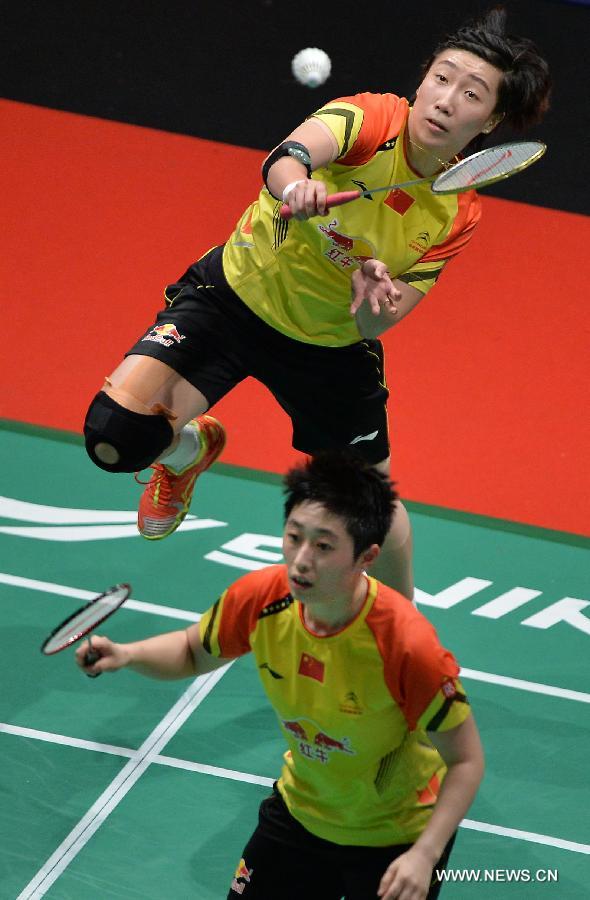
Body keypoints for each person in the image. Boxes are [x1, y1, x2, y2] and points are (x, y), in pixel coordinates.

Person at [82, 7, 550, 601]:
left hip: (326, 349)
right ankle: (188, 453)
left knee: (373, 509)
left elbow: (382, 317)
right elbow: (284, 158)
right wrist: (297, 182)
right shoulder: (375, 118)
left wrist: (372, 298)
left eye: (471, 92)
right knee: (113, 436)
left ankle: (403, 632)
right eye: (440, 78)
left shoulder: (457, 213)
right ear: (421, 80)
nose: (446, 100)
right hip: (231, 297)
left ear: (493, 118)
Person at [75, 452, 484, 899]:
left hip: (396, 839)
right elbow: (193, 651)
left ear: (366, 556)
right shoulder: (261, 598)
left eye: (324, 546)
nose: (301, 561)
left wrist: (424, 855)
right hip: (301, 816)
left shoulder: (406, 645)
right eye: (294, 537)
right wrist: (127, 653)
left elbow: (465, 761)